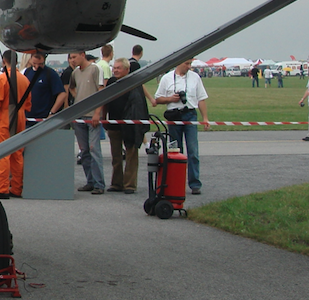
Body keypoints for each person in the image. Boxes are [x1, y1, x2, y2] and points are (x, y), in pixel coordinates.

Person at [153, 59, 210, 195]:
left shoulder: (195, 77)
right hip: (174, 116)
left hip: (190, 114)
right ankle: (174, 182)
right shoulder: (167, 78)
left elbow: (201, 98)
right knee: (174, 151)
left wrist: (205, 118)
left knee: (193, 150)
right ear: (179, 63)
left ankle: (194, 183)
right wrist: (170, 99)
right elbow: (158, 98)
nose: (189, 67)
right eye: (187, 64)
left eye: (191, 64)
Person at [0, 50, 30, 199]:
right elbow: (29, 104)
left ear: (3, 60)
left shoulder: (2, 79)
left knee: (2, 152)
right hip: (20, 117)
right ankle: (17, 188)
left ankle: (1, 188)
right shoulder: (24, 79)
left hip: (5, 117)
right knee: (17, 153)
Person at [104, 58, 148, 193]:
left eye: (118, 68)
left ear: (127, 70)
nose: (115, 70)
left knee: (131, 156)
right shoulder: (111, 82)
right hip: (114, 124)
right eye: (114, 68)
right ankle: (116, 183)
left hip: (130, 126)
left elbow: (140, 105)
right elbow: (105, 100)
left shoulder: (134, 83)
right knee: (116, 157)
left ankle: (129, 185)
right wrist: (102, 117)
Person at [69, 49, 105, 195]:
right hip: (79, 116)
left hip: (92, 116)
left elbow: (101, 91)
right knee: (84, 151)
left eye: (74, 57)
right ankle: (90, 181)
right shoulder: (75, 73)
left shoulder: (95, 69)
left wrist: (97, 112)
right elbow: (71, 87)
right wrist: (78, 99)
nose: (72, 60)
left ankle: (99, 183)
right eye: (70, 57)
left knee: (94, 149)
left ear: (82, 55)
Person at [23, 50, 66, 122]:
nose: (37, 67)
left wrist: (52, 112)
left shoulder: (50, 74)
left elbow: (62, 94)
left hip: (44, 118)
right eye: (34, 63)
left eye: (40, 64)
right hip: (28, 117)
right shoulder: (27, 72)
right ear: (30, 59)